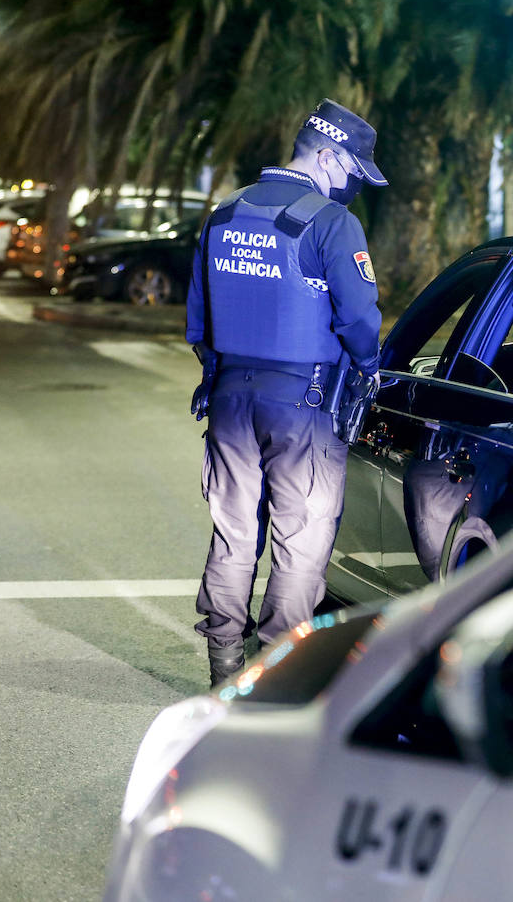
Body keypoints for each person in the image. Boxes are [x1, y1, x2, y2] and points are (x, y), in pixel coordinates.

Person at [185, 98, 386, 686]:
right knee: (301, 537)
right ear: (326, 155)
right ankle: (277, 672)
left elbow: (199, 323)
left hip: (228, 399)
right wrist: (370, 368)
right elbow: (358, 320)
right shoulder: (329, 222)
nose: (351, 187)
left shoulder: (224, 213)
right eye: (350, 172)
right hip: (303, 404)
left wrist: (218, 372)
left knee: (234, 529)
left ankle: (224, 659)